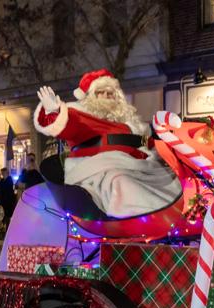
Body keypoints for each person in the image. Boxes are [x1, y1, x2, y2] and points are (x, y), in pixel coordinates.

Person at [34, 68, 181, 217]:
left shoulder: (130, 124)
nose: (106, 96)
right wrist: (55, 112)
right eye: (100, 92)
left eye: (110, 93)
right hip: (99, 170)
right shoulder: (79, 115)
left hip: (139, 167)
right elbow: (65, 125)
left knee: (173, 180)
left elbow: (150, 144)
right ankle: (145, 219)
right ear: (91, 96)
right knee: (120, 180)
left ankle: (175, 215)